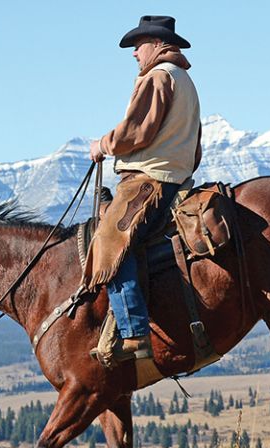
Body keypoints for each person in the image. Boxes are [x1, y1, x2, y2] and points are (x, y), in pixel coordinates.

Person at [83, 15, 202, 364]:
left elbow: (137, 131)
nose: (135, 53)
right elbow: (195, 146)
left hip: (149, 180)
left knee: (109, 246)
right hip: (177, 178)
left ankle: (134, 332)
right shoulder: (185, 80)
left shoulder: (158, 76)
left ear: (157, 43)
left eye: (138, 45)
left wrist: (103, 145)